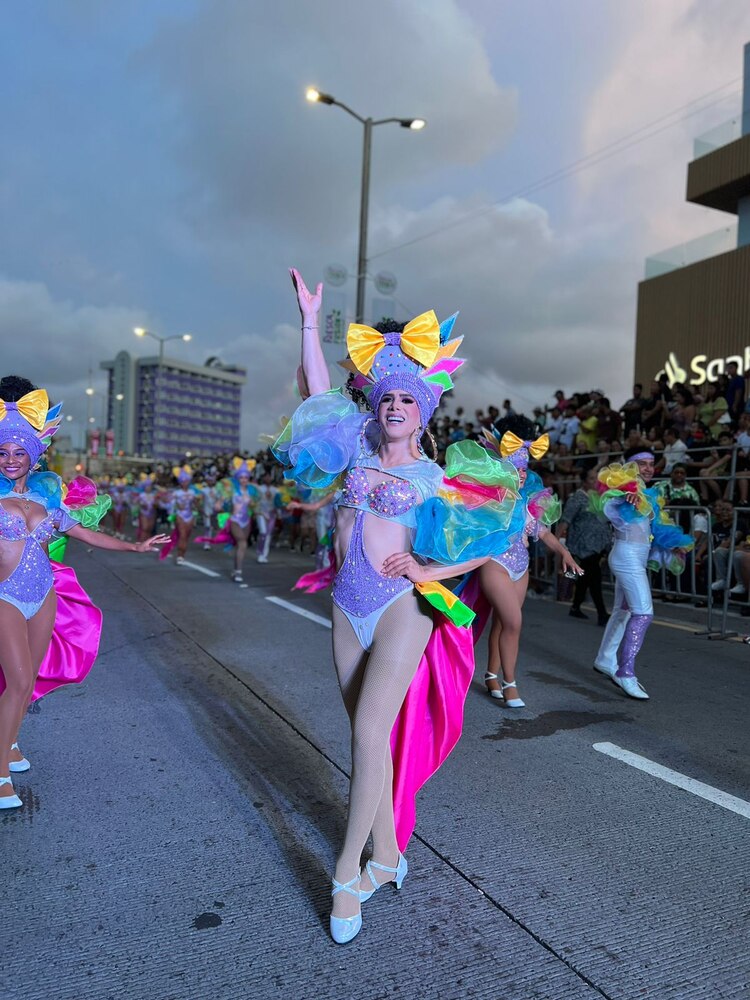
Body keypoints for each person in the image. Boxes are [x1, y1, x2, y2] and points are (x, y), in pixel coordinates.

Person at [275, 270, 502, 944]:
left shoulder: (435, 477)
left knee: (368, 735)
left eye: (409, 397)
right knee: (368, 737)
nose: (397, 405)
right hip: (348, 606)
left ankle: (348, 874)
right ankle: (392, 857)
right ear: (375, 405)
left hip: (406, 605)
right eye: (388, 396)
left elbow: (490, 540)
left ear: (424, 411)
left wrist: (432, 567)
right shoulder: (350, 453)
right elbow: (319, 393)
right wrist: (310, 322)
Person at [0, 377, 168, 809]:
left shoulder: (47, 501)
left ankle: (11, 741)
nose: (10, 460)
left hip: (42, 595)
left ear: (35, 454)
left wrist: (134, 545)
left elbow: (85, 533)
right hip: (4, 597)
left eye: (19, 452)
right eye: (2, 452)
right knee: (17, 680)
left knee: (28, 680)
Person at [433, 416, 582, 708]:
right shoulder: (488, 502)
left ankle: (491, 674)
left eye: (525, 470)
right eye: (516, 469)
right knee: (514, 621)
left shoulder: (526, 505)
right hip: (495, 565)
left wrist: (563, 553)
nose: (522, 475)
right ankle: (510, 683)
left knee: (503, 623)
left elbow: (542, 531)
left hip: (520, 567)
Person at [591, 447, 693, 700]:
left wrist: (674, 544)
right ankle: (626, 673)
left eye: (651, 463)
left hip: (635, 558)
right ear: (628, 467)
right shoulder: (624, 491)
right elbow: (607, 500)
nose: (648, 468)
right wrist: (624, 497)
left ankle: (605, 658)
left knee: (623, 611)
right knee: (644, 613)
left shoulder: (647, 495)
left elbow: (653, 529)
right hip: (626, 558)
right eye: (642, 464)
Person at [558, 467, 611, 625]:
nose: (595, 482)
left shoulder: (599, 497)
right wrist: (556, 545)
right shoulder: (578, 498)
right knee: (594, 578)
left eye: (597, 479)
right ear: (584, 481)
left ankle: (575, 607)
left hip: (598, 545)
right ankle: (602, 613)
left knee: (586, 578)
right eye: (591, 479)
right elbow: (565, 521)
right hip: (584, 546)